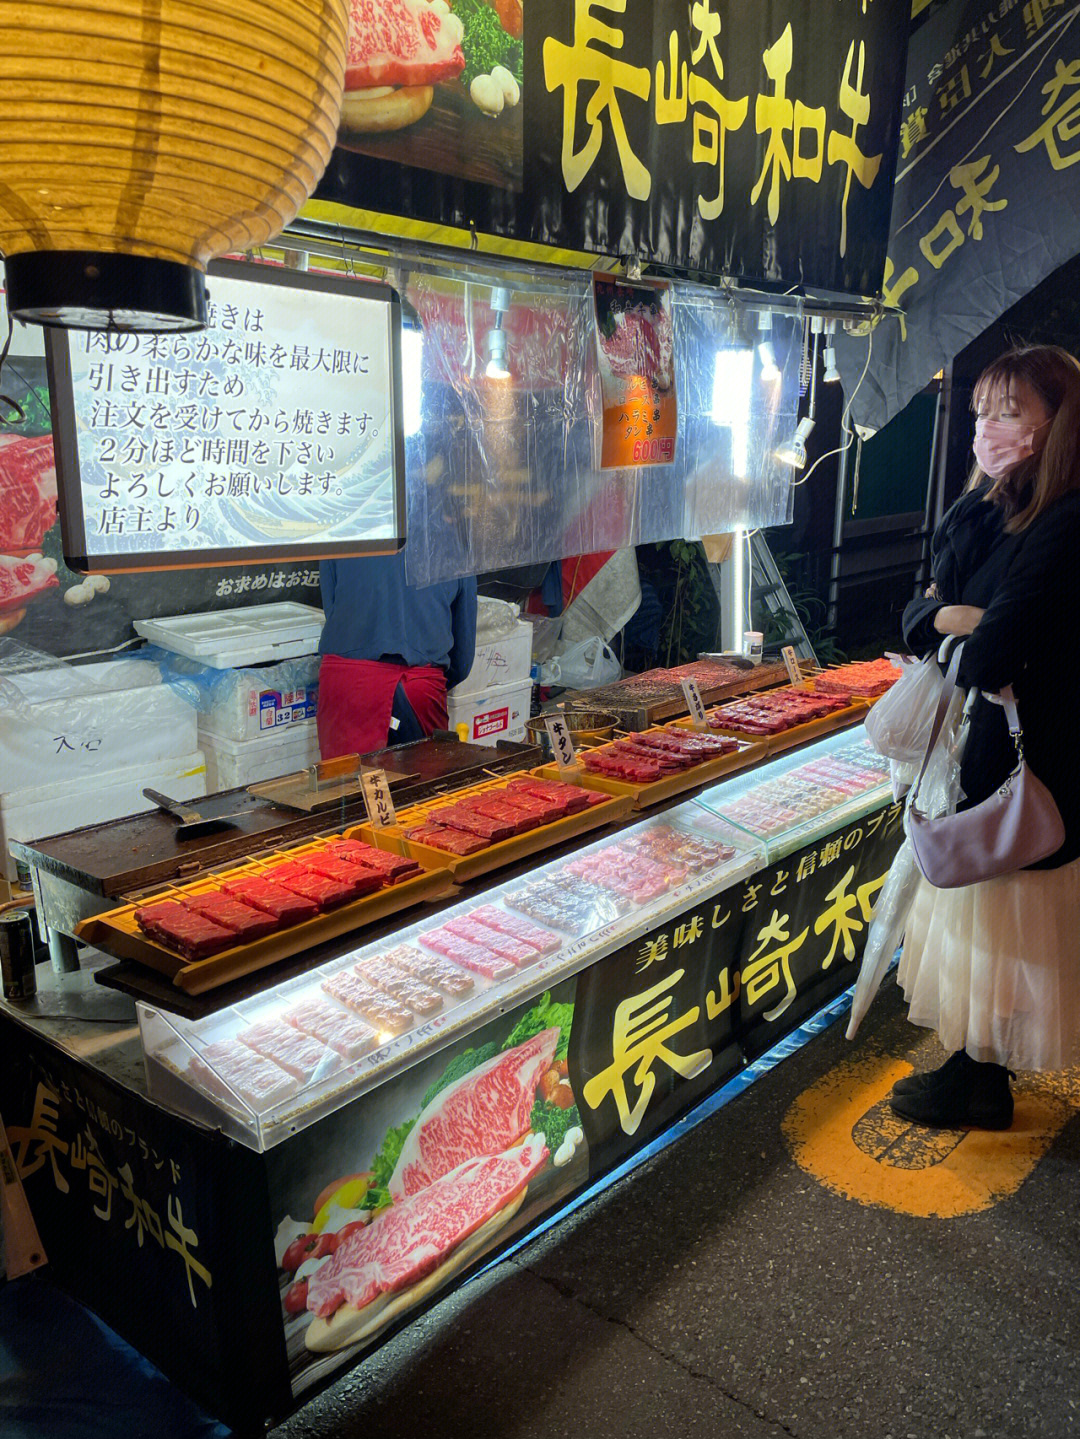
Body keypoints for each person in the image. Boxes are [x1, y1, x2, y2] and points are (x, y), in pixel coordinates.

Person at [892, 343, 1080, 1130]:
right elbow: (911, 613)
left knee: (1007, 916)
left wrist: (955, 626)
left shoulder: (1068, 517)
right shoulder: (993, 505)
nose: (989, 428)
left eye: (1010, 412)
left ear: (1057, 421)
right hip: (994, 746)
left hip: (1038, 753)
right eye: (982, 413)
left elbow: (992, 652)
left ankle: (980, 1079)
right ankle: (977, 1074)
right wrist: (953, 622)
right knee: (987, 917)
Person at [316, 551, 477, 759]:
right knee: (421, 789)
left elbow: (332, 610)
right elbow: (462, 655)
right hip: (418, 686)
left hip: (346, 685)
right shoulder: (452, 541)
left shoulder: (343, 527)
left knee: (345, 787)